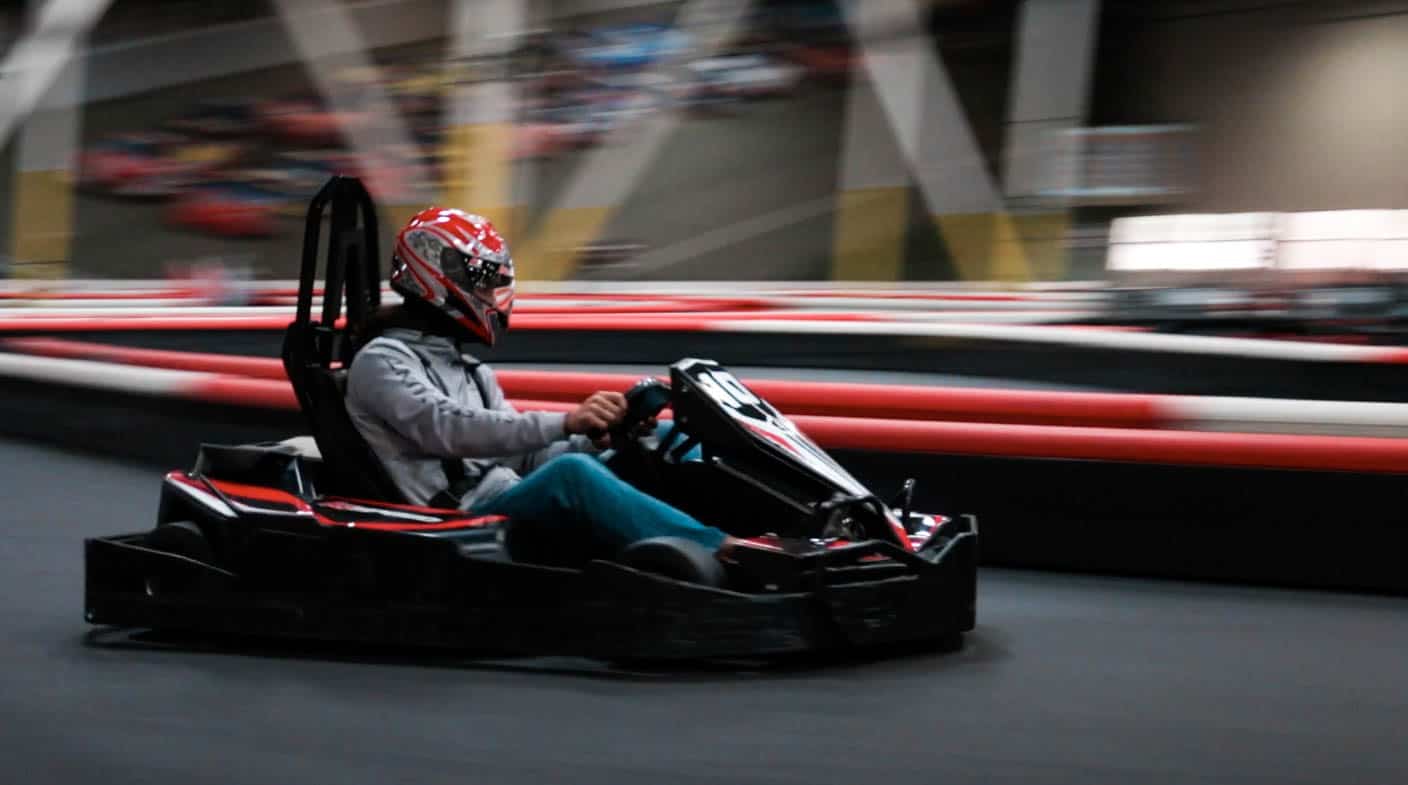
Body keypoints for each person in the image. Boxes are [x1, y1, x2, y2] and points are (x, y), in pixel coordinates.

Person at [345, 206, 733, 563]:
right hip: (454, 522)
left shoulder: (470, 370)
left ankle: (764, 521)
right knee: (571, 474)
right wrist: (564, 423)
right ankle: (719, 552)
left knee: (665, 435)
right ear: (435, 274)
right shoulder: (381, 361)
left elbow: (523, 458)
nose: (490, 294)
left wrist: (601, 436)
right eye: (481, 280)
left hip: (505, 497)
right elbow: (447, 429)